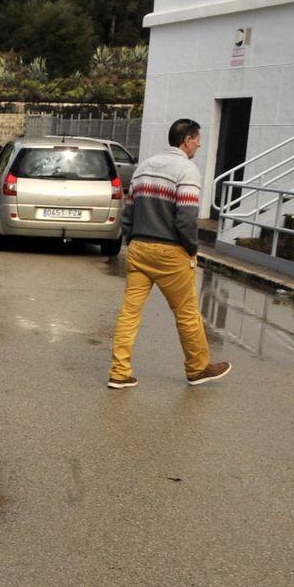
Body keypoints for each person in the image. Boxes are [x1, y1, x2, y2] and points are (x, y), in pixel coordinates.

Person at [107, 118, 231, 388]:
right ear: (187, 140)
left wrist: (133, 241)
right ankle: (198, 368)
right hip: (171, 251)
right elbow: (186, 218)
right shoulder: (187, 170)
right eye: (197, 139)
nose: (199, 144)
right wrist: (191, 249)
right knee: (186, 313)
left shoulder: (143, 168)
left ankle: (119, 372)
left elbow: (128, 212)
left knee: (129, 313)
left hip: (139, 247)